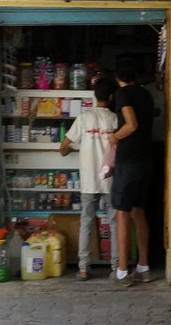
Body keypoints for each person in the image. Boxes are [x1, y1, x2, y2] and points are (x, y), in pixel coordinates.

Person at [60, 77, 118, 280]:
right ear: (111, 97)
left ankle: (84, 268)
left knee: (86, 221)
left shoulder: (84, 118)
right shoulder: (115, 119)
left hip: (88, 180)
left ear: (95, 96)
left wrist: (67, 150)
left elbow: (64, 146)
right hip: (110, 178)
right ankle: (115, 267)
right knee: (114, 222)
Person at [109, 64, 155, 284]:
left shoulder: (122, 93)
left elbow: (131, 124)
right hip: (145, 158)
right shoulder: (146, 94)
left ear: (117, 77)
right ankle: (144, 267)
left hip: (128, 160)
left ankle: (122, 271)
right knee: (138, 211)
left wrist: (114, 137)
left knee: (122, 213)